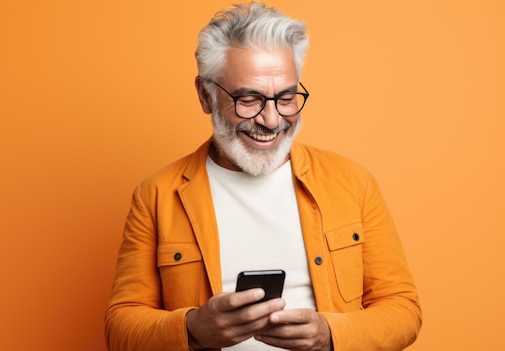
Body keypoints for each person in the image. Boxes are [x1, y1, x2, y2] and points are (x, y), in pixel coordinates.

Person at [104, 2, 422, 350]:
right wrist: (193, 329)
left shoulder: (352, 182)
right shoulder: (157, 194)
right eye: (249, 99)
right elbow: (120, 328)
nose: (271, 120)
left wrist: (329, 335)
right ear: (205, 95)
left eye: (286, 97)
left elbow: (403, 309)